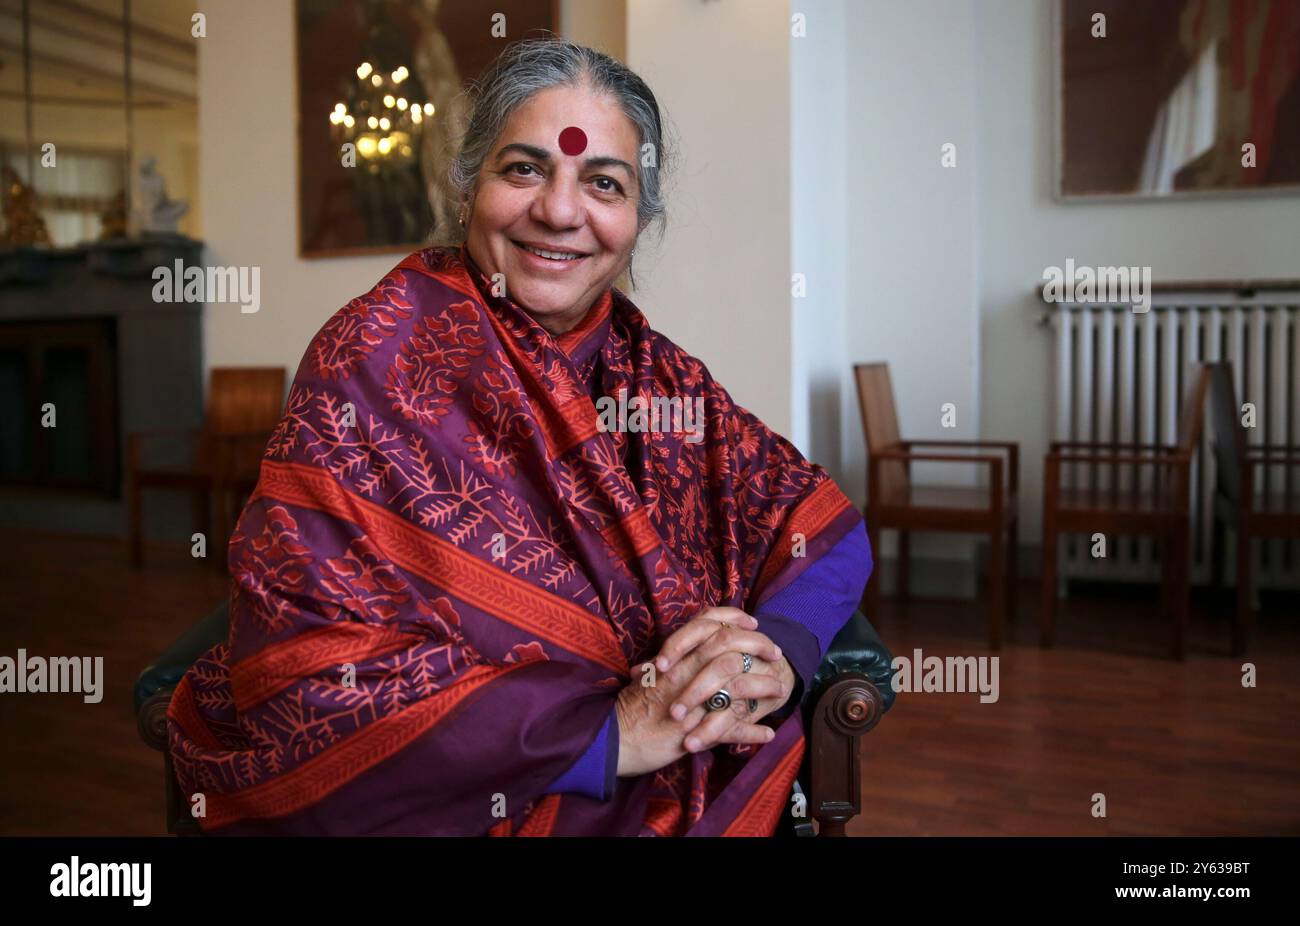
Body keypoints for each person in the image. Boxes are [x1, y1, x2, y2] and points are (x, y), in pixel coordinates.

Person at [168, 37, 871, 836]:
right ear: (467, 190)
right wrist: (608, 736)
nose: (560, 211)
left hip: (677, 761)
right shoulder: (371, 359)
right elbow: (304, 666)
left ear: (641, 218)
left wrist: (771, 653)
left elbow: (819, 527)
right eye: (524, 169)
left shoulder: (659, 379)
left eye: (603, 182)